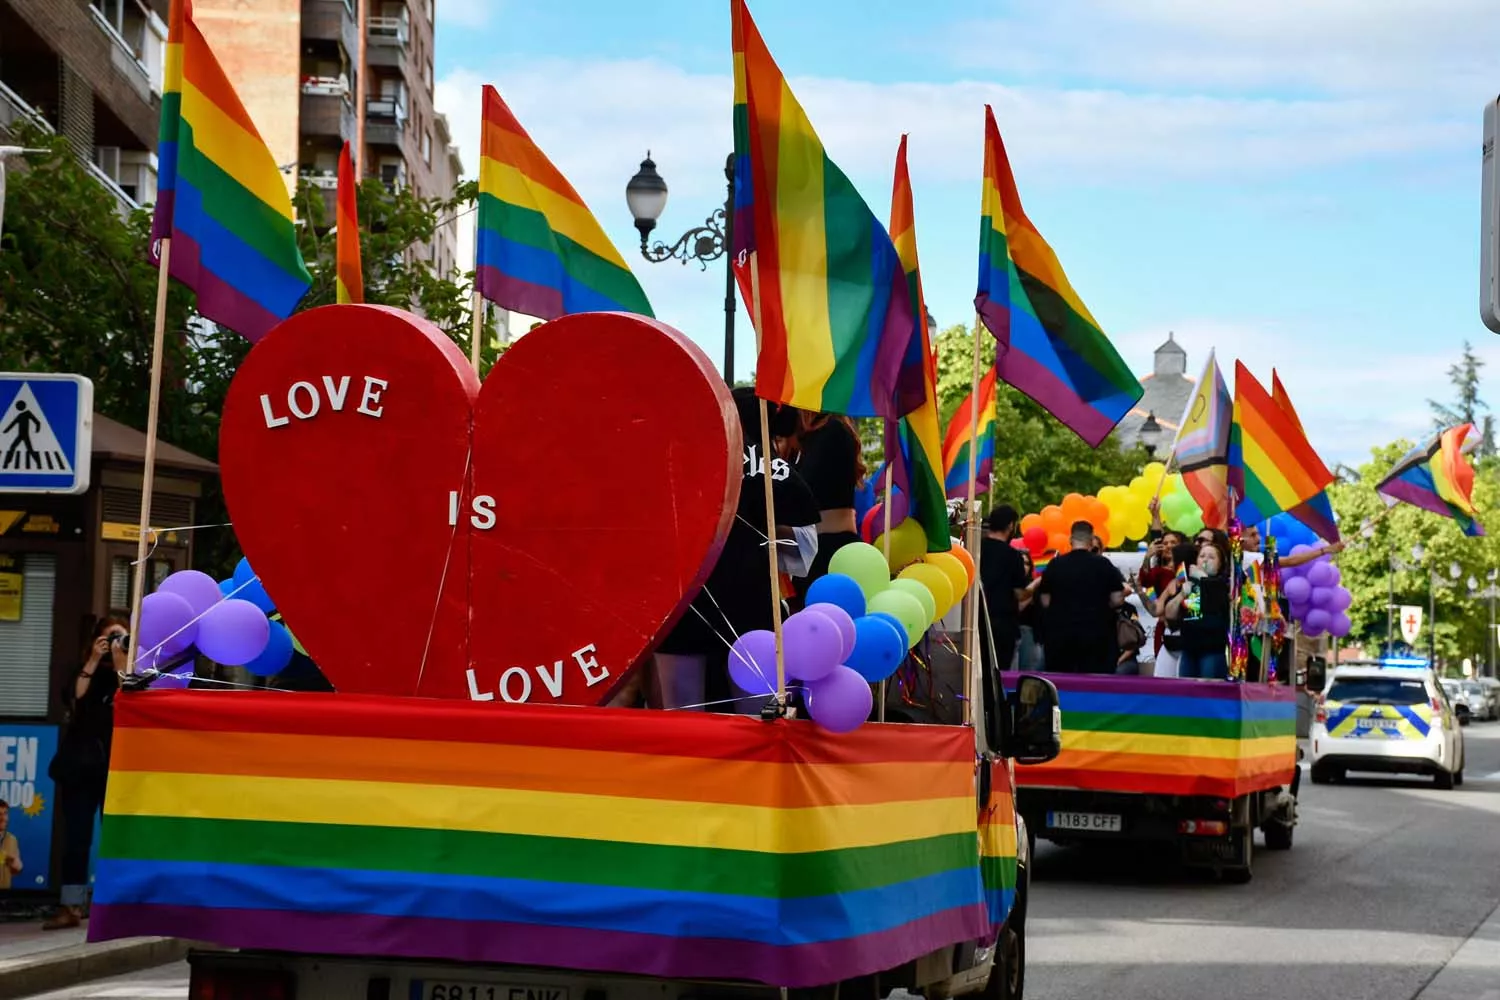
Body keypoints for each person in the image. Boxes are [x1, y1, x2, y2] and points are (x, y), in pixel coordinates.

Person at [650, 389, 820, 713]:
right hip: (747, 597)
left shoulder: (682, 458)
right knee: (753, 720)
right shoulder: (777, 473)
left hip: (688, 598)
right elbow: (804, 545)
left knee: (683, 717)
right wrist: (763, 532)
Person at [44, 618, 126, 929]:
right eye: (108, 638)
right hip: (79, 766)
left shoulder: (128, 672)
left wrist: (121, 662)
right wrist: (94, 658)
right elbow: (76, 696)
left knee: (115, 840)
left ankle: (111, 904)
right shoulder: (83, 668)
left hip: (115, 767)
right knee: (77, 840)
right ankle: (71, 906)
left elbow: (130, 699)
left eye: (119, 637)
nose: (113, 644)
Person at [787, 409, 865, 602]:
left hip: (832, 548)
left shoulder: (832, 431)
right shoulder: (810, 436)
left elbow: (804, 487)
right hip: (815, 548)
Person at [1038, 521, 1125, 673]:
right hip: (1097, 636)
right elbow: (1118, 599)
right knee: (1095, 684)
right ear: (1091, 541)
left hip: (1060, 636)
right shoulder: (1104, 564)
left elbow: (1045, 601)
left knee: (1061, 682)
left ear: (1071, 540)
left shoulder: (1055, 565)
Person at [1166, 538, 1232, 680]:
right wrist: (1182, 594)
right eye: (1202, 556)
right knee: (1187, 694)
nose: (1205, 560)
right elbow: (1170, 614)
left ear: (1220, 564)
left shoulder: (1221, 584)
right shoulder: (1189, 583)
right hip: (1189, 650)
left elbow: (1217, 603)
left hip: (1212, 651)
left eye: (1211, 557)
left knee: (1208, 694)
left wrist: (1203, 578)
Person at [980, 505, 1032, 673]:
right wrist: (1036, 586)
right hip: (1003, 625)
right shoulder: (1013, 556)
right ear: (1011, 526)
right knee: (999, 672)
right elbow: (1020, 594)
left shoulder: (976, 549)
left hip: (976, 620)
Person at [0, 800, 21, 890]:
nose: (3, 818)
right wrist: (5, 858)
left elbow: (15, 870)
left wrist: (17, 867)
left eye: (5, 813)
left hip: (5, 898)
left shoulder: (12, 839)